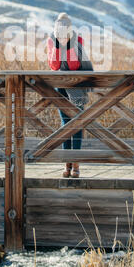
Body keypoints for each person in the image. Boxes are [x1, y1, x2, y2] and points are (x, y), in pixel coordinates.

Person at [47, 12, 93, 178]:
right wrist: (59, 45)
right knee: (65, 124)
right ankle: (66, 163)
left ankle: (76, 163)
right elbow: (54, 65)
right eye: (59, 27)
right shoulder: (51, 40)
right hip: (60, 86)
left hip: (76, 85)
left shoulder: (77, 40)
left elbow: (74, 65)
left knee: (77, 123)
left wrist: (69, 44)